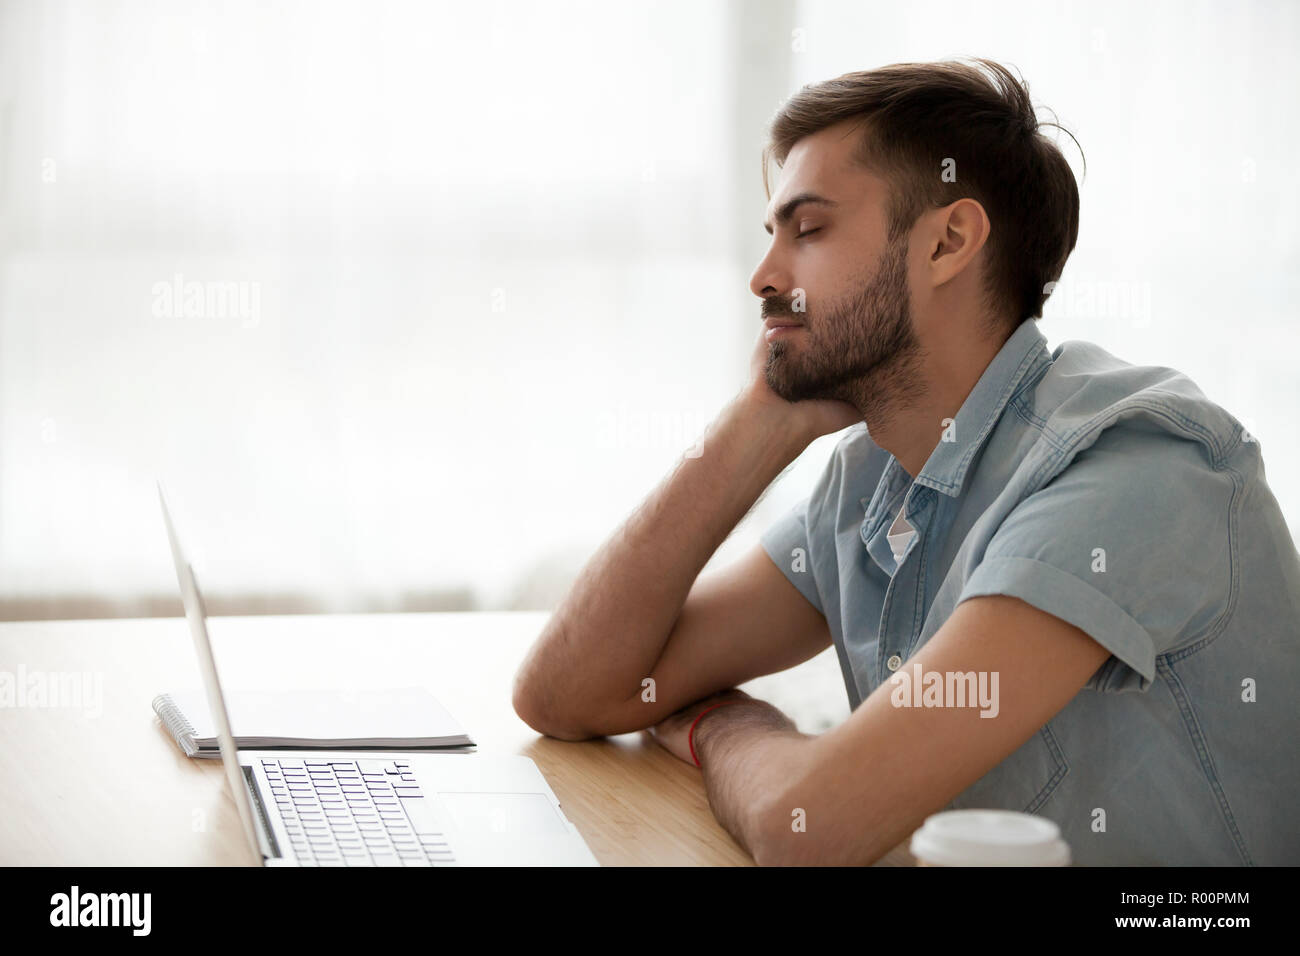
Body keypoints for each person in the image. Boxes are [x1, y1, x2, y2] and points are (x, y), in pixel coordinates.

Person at [512, 57, 1300, 865]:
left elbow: (806, 827)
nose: (764, 278)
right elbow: (570, 693)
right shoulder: (870, 481)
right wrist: (754, 429)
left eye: (807, 230)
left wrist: (729, 724)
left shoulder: (1131, 469)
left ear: (948, 242)